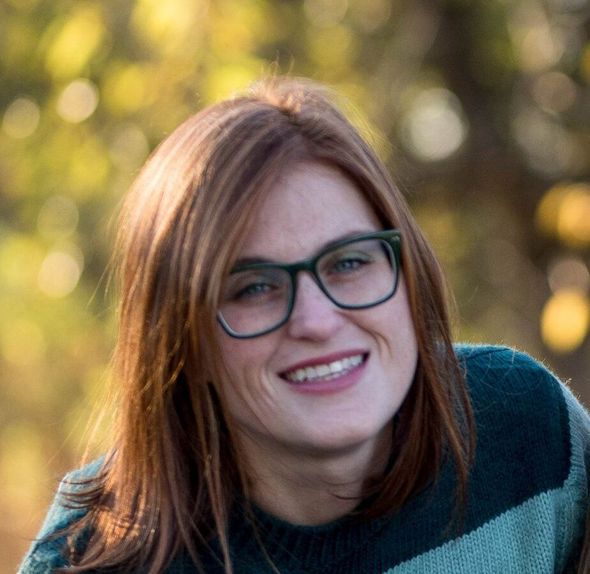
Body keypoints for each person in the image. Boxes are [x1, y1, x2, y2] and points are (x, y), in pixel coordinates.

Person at [19, 77, 589, 574]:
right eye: (254, 288)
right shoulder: (89, 558)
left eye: (349, 263)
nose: (316, 321)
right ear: (179, 341)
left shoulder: (526, 433)